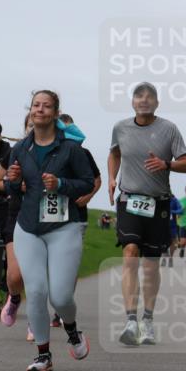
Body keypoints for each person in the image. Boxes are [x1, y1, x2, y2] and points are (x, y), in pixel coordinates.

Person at [6, 90, 95, 371]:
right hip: (29, 226)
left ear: (56, 114)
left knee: (60, 296)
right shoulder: (20, 149)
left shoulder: (71, 149)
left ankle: (72, 331)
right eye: (36, 105)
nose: (40, 109)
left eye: (46, 106)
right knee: (36, 290)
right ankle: (43, 355)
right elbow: (12, 189)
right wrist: (12, 181)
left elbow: (86, 183)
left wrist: (61, 185)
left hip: (63, 227)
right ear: (30, 111)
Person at [108, 82, 186, 346]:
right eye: (139, 96)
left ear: (157, 103)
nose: (144, 100)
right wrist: (112, 178)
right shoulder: (120, 127)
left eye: (149, 97)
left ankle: (148, 320)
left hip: (158, 203)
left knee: (151, 265)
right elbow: (114, 153)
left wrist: (166, 164)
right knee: (131, 251)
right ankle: (131, 320)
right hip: (129, 199)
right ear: (132, 102)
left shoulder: (169, 129)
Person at [49, 112, 102, 331]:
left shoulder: (83, 153)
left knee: (69, 266)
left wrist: (88, 196)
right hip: (52, 214)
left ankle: (62, 309)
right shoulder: (49, 152)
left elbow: (97, 180)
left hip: (77, 216)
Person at [0, 113, 31, 336]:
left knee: (37, 277)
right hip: (17, 215)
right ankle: (15, 297)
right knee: (15, 276)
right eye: (30, 125)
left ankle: (35, 322)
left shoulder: (59, 152)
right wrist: (17, 186)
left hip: (46, 220)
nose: (34, 127)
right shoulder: (15, 152)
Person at [161, 194, 183, 268]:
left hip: (172, 225)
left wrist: (172, 211)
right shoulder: (160, 198)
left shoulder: (174, 200)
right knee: (162, 241)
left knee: (172, 243)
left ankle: (170, 258)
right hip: (162, 224)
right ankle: (164, 258)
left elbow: (181, 210)